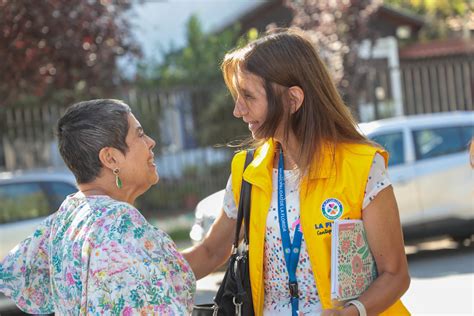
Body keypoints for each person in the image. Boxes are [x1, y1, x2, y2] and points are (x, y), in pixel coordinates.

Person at [183, 29, 410, 316]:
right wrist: (145, 272)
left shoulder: (362, 165)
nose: (237, 110)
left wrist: (349, 313)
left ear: (293, 100)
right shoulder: (247, 170)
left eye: (248, 96)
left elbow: (395, 274)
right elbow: (210, 252)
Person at [0, 99, 195, 315]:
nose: (151, 142)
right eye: (139, 134)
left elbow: (19, 275)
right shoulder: (120, 224)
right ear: (110, 158)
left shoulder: (68, 214)